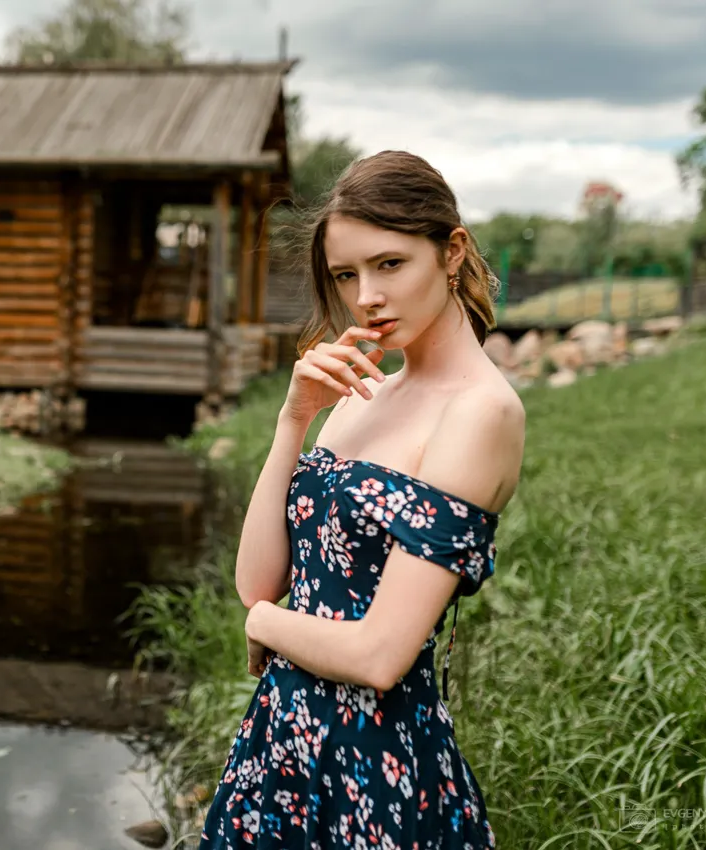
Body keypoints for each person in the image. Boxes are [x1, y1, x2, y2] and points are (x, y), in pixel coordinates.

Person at [196, 150, 525, 849]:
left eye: (389, 264)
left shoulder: (479, 414)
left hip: (375, 765)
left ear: (452, 252)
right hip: (279, 743)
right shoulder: (361, 393)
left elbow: (382, 654)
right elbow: (257, 581)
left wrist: (266, 626)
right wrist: (295, 418)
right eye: (347, 275)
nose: (366, 295)